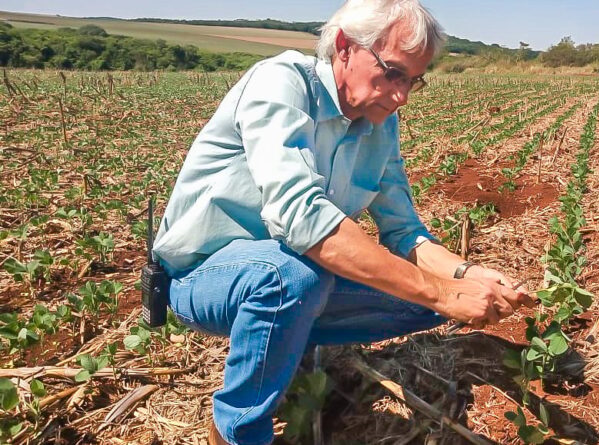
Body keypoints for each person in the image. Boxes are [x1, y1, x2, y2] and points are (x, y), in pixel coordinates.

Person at [153, 0, 534, 443]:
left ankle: (290, 341)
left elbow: (404, 231)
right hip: (202, 275)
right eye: (392, 73)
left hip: (290, 269)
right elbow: (303, 220)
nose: (401, 96)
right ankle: (236, 429)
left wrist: (466, 277)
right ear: (344, 47)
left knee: (417, 301)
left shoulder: (380, 124)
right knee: (293, 276)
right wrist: (442, 292)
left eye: (413, 81)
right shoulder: (281, 83)